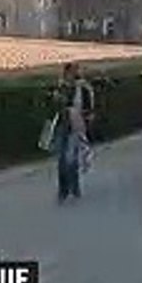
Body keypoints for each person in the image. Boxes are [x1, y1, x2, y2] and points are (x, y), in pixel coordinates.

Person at [51, 62, 94, 203]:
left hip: (76, 126)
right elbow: (54, 105)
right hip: (61, 124)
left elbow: (89, 107)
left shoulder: (82, 87)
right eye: (69, 72)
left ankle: (74, 187)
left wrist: (85, 119)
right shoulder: (60, 86)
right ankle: (63, 189)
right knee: (61, 159)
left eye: (74, 72)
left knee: (71, 158)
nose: (71, 75)